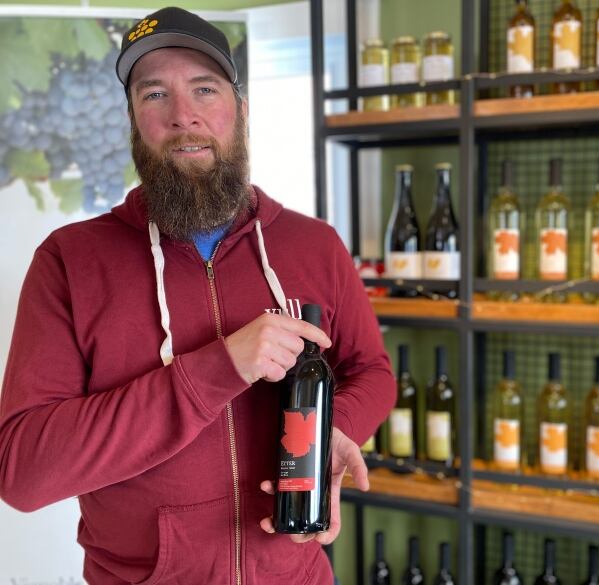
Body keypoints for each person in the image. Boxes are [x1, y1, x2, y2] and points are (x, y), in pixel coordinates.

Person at [0, 7, 395, 584]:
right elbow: (25, 473)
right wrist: (221, 366)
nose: (183, 116)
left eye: (204, 89)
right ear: (135, 120)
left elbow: (373, 371)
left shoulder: (315, 244)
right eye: (154, 94)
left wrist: (336, 426)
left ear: (240, 110)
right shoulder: (69, 261)